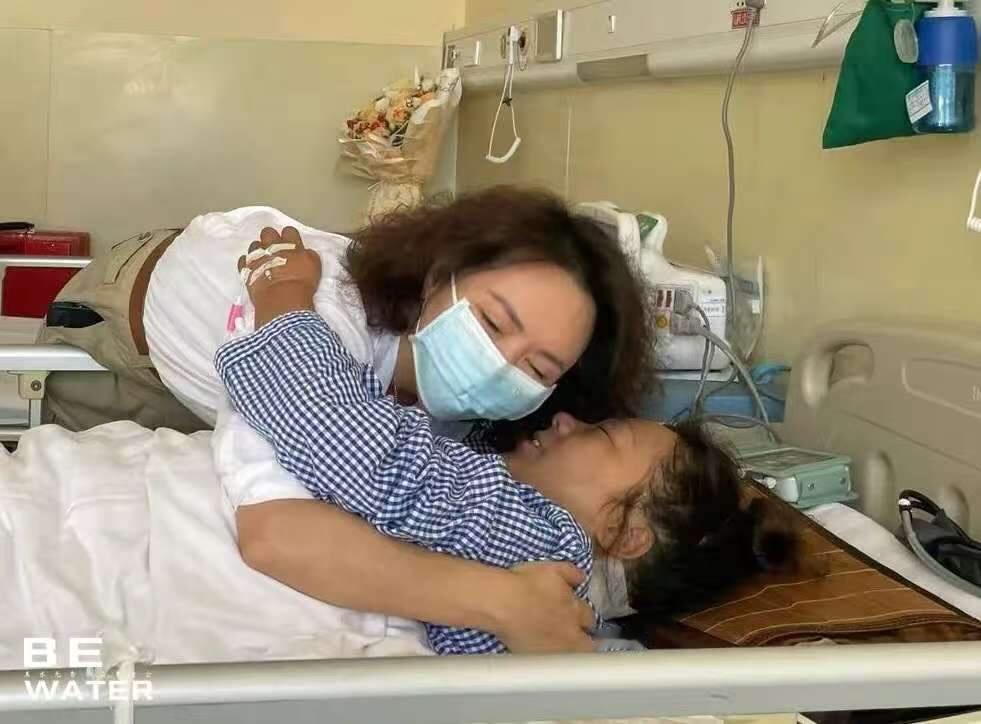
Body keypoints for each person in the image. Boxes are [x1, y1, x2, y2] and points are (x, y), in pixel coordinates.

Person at [38, 186, 657, 653]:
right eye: (493, 323)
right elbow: (278, 533)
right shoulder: (312, 314)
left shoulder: (486, 440)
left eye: (538, 367)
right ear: (437, 277)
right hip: (130, 335)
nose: (502, 363)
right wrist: (501, 603)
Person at [215, 235, 793, 654]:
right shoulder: (571, 596)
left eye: (602, 434)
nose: (565, 421)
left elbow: (361, 450)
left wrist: (284, 300)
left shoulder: (541, 541)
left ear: (624, 535)